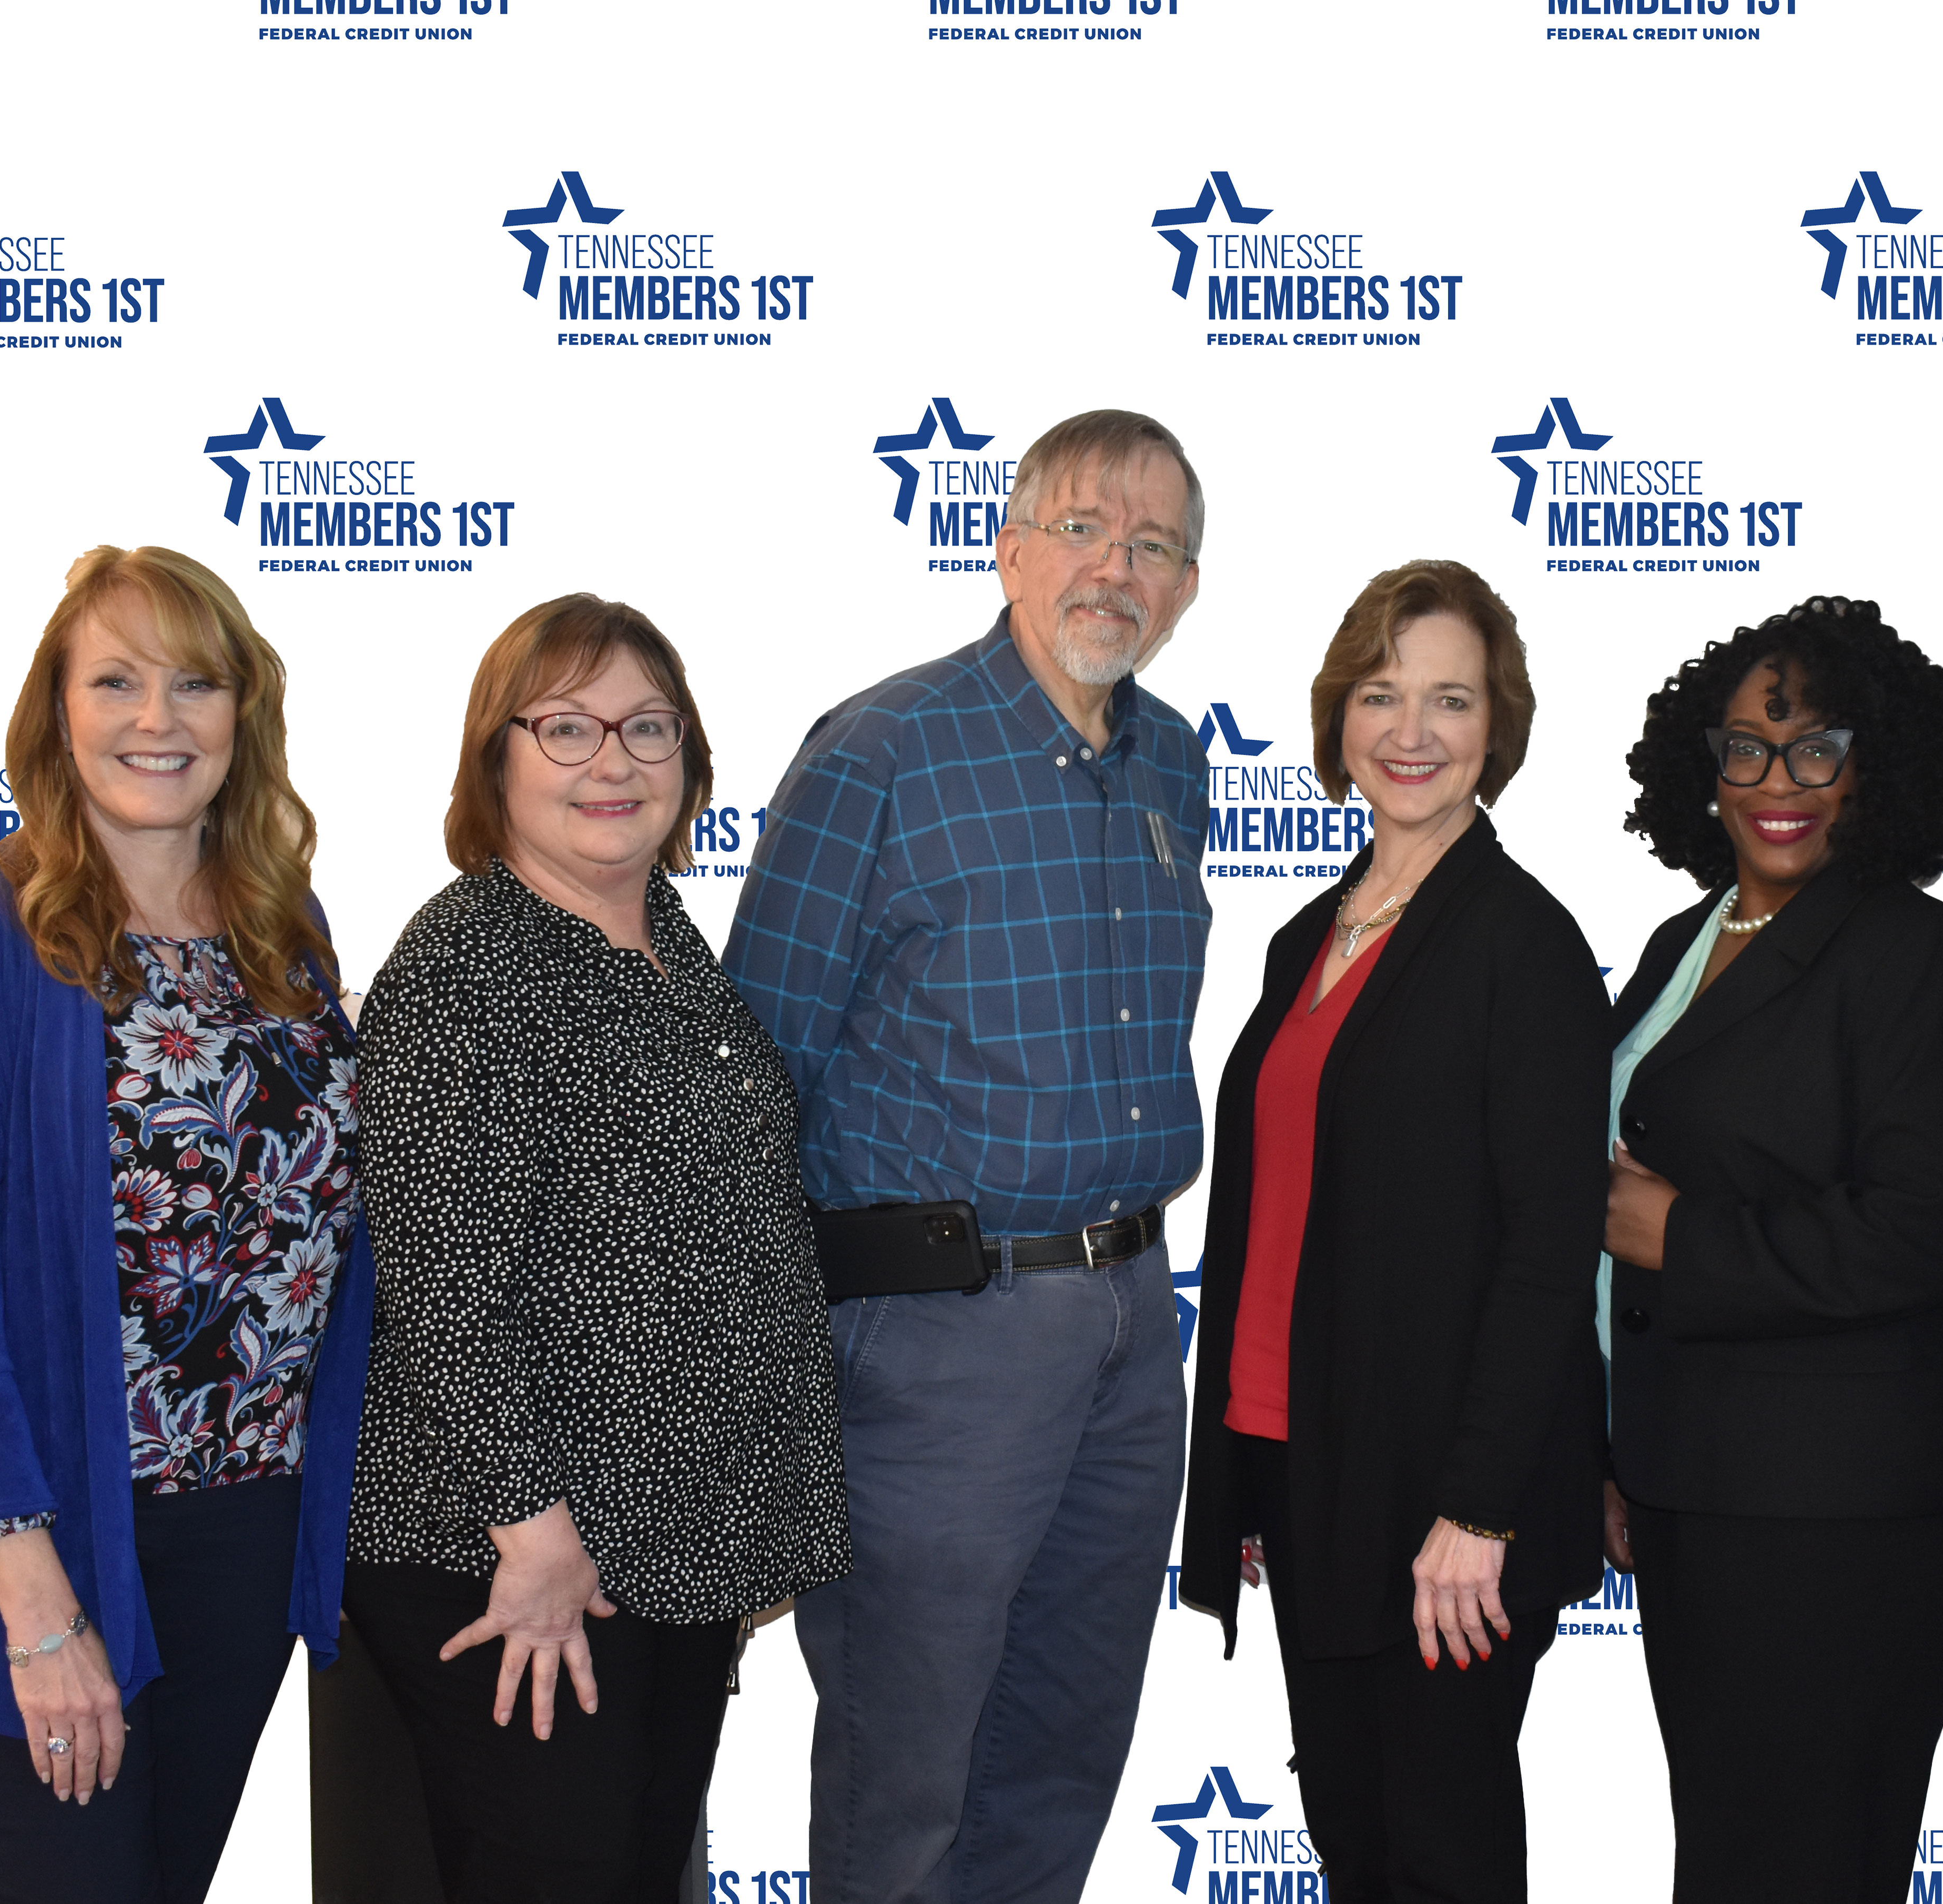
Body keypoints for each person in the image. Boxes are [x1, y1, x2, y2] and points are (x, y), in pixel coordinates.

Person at [0, 546, 376, 1904]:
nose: (156, 717)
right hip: (34, 1535)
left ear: (246, 712)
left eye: (196, 681)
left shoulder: (277, 930)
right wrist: (37, 1603)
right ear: (54, 713)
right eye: (115, 678)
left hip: (242, 1526)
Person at [723, 409, 1211, 1903]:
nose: (1113, 568)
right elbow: (755, 1074)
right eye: (1080, 526)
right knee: (907, 1776)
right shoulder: (880, 751)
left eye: (1154, 545)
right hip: (937, 1338)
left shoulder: (1172, 764)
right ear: (1003, 543)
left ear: (1189, 584)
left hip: (1132, 1327)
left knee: (1061, 1752)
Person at [343, 595, 848, 1902]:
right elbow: (446, 1283)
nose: (611, 762)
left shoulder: (668, 940)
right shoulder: (469, 962)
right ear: (493, 758)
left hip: (670, 1546)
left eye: (645, 726)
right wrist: (536, 1533)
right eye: (564, 727)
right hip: (517, 1559)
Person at [1600, 597, 1943, 1904]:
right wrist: (1613, 1443)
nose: (1773, 783)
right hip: (1701, 1481)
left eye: (1813, 748)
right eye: (1742, 748)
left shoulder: (1924, 957)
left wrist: (1677, 1233)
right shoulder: (1683, 943)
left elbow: (1933, 1227)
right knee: (1735, 1851)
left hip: (1852, 1506)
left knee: (1797, 1862)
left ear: (1877, 768)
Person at [1177, 561, 1608, 1902]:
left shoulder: (1522, 942)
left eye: (1448, 699)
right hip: (1311, 1467)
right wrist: (1245, 1473)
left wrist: (1474, 1511)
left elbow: (1550, 1243)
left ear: (1498, 727)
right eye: (1379, 693)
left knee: (1443, 1851)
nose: (1409, 731)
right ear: (1336, 719)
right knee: (1355, 1842)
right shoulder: (1311, 930)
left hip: (1445, 1504)